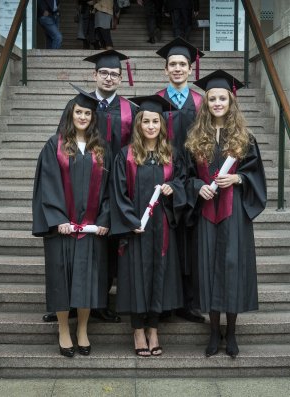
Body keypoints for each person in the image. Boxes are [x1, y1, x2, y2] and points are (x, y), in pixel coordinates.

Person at [42, 50, 138, 324]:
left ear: (122, 78)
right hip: (76, 185)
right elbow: (62, 145)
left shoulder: (131, 110)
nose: (109, 78)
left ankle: (99, 300)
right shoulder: (77, 105)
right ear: (95, 75)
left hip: (111, 186)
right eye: (104, 73)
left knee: (106, 246)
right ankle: (67, 302)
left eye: (114, 74)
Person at [184, 70, 267, 358]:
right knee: (208, 269)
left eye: (222, 98)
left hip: (234, 215)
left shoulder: (244, 137)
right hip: (207, 212)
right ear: (205, 103)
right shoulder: (196, 136)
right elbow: (186, 175)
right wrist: (197, 187)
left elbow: (255, 174)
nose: (217, 103)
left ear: (231, 102)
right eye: (212, 99)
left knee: (231, 270)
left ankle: (231, 333)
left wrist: (237, 179)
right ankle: (213, 332)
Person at [31, 85, 111, 357]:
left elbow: (110, 189)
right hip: (62, 230)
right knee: (61, 280)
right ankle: (64, 329)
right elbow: (48, 185)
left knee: (87, 281)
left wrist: (103, 218)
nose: (83, 116)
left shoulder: (101, 148)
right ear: (70, 113)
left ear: (93, 118)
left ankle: (83, 330)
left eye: (87, 113)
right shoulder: (54, 145)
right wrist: (58, 219)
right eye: (78, 111)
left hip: (90, 229)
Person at [110, 95, 186, 357]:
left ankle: (153, 329)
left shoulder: (171, 154)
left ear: (162, 125)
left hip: (162, 226)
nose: (151, 126)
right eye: (146, 121)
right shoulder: (126, 155)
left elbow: (183, 182)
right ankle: (138, 330)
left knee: (158, 276)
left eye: (156, 121)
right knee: (135, 278)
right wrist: (130, 222)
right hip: (136, 229)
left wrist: (172, 188)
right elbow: (118, 192)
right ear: (138, 125)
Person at [155, 38, 205, 323]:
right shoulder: (155, 102)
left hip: (195, 182)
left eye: (182, 65)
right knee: (166, 241)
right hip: (165, 179)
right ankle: (164, 302)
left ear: (190, 69)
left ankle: (188, 302)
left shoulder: (201, 102)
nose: (177, 69)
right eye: (172, 64)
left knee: (189, 241)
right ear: (165, 70)